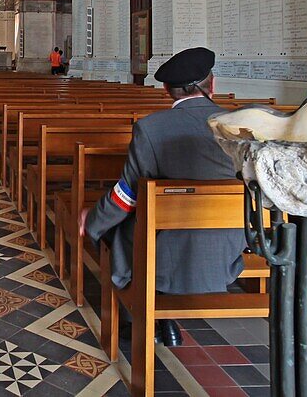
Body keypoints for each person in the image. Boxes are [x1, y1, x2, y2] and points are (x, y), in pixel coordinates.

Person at [79, 47, 243, 347]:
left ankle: (142, 317)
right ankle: (162, 319)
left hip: (164, 257)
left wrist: (92, 222)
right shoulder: (243, 126)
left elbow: (125, 197)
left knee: (122, 227)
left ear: (167, 89)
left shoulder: (152, 128)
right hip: (228, 250)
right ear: (212, 84)